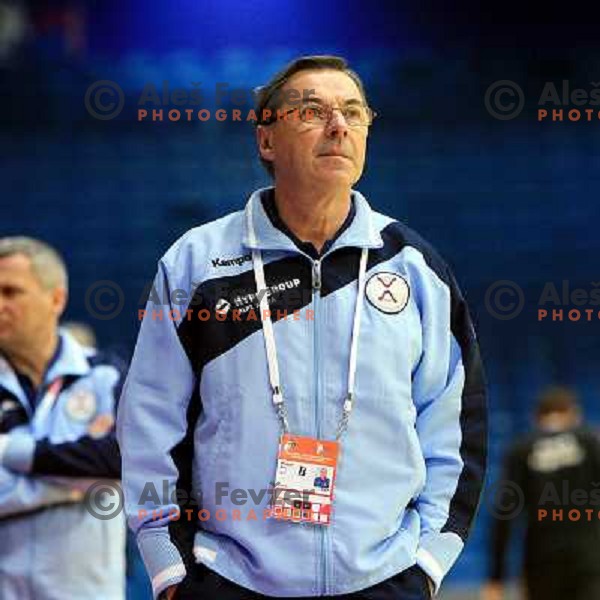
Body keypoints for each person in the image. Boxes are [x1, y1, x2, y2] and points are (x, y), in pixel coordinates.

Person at [117, 55, 487, 600]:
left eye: (354, 112)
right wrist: (170, 569)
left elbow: (456, 423)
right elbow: (149, 419)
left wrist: (429, 559)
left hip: (385, 578)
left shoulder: (414, 267)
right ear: (267, 141)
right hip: (231, 578)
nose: (339, 125)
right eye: (312, 111)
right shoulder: (197, 262)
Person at [0, 236, 125, 599]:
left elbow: (118, 459)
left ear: (56, 299)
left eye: (11, 292)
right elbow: (103, 472)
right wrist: (77, 482)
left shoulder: (107, 375)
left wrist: (8, 450)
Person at [482, 386, 600, 600]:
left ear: (537, 417)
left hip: (541, 562)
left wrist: (495, 577)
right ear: (573, 413)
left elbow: (504, 516)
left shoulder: (521, 449)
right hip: (590, 561)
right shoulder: (591, 442)